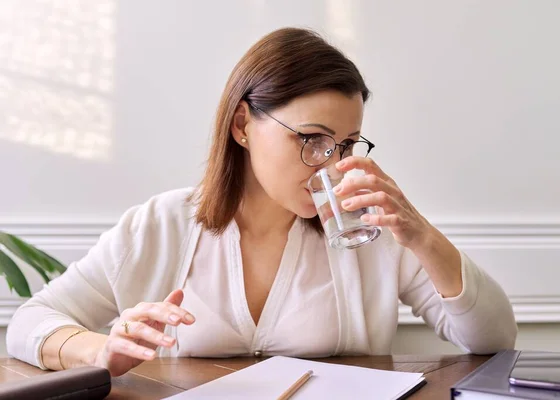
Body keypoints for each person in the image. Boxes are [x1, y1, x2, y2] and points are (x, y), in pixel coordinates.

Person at [6, 27, 517, 377]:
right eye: (313, 139)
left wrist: (422, 234)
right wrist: (101, 350)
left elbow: (492, 339)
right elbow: (30, 324)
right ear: (243, 125)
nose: (332, 164)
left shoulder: (371, 228)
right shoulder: (159, 226)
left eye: (345, 144)